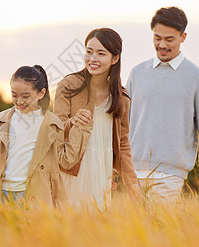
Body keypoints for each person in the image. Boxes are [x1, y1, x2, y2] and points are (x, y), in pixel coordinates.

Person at [0, 65, 88, 208]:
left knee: (29, 231)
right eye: (14, 95)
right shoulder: (3, 120)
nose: (19, 101)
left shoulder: (53, 124)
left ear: (41, 93)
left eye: (25, 96)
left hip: (34, 196)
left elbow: (65, 160)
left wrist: (78, 129)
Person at [126, 6, 199, 202]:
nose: (162, 44)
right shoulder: (137, 73)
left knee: (159, 230)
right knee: (132, 232)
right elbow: (122, 123)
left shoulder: (197, 77)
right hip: (133, 174)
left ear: (183, 37)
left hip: (170, 176)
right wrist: (113, 165)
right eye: (157, 38)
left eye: (169, 39)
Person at [54, 28, 140, 210]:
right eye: (89, 51)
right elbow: (54, 129)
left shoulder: (122, 98)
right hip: (71, 171)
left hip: (101, 174)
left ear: (115, 58)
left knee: (95, 230)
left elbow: (123, 144)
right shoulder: (68, 85)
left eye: (101, 53)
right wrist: (72, 122)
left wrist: (133, 185)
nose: (92, 59)